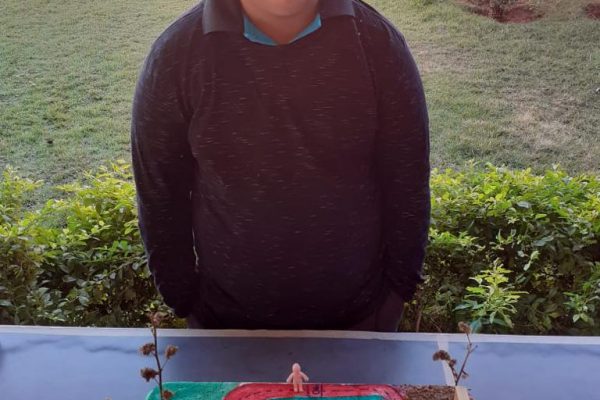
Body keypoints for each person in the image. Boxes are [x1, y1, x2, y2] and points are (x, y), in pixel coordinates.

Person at [131, 0, 430, 332]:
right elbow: (159, 191)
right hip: (223, 325)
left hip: (361, 319)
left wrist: (396, 293)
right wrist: (184, 300)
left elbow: (408, 179)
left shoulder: (378, 44)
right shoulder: (177, 54)